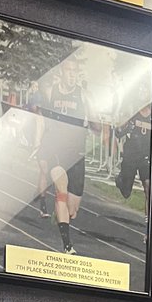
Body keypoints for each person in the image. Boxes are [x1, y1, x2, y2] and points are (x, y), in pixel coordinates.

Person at [32, 54, 94, 255]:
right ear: (61, 73)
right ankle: (68, 246)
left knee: (72, 209)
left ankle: (61, 215)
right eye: (69, 71)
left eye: (75, 71)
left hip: (76, 153)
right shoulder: (52, 92)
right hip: (56, 150)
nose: (72, 75)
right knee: (61, 191)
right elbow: (41, 117)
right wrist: (38, 141)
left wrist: (97, 126)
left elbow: (94, 120)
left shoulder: (83, 95)